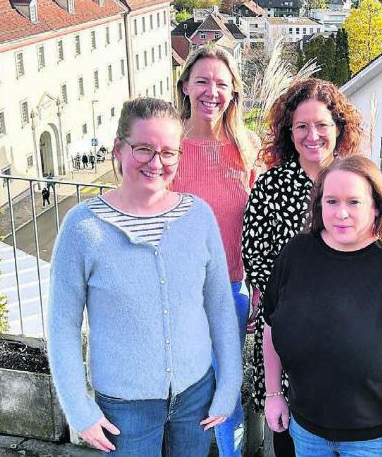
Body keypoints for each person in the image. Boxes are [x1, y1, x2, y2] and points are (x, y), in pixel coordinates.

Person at [47, 97, 242, 456]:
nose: (157, 162)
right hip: (124, 406)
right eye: (143, 149)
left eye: (169, 152)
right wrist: (78, 407)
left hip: (196, 398)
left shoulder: (198, 216)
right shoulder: (83, 227)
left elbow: (219, 308)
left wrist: (228, 385)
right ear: (119, 150)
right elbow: (62, 325)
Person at [263, 155, 382, 456]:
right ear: (318, 205)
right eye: (331, 202)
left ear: (376, 206)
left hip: (380, 440)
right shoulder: (296, 254)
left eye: (354, 202)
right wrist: (273, 392)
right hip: (306, 432)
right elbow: (271, 323)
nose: (341, 213)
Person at [241, 78, 362, 456]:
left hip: (347, 327)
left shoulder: (356, 182)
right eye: (302, 126)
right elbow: (255, 254)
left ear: (338, 129)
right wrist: (295, 300)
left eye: (322, 125)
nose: (313, 135)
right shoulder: (271, 186)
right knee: (288, 435)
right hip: (286, 327)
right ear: (288, 132)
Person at [172, 45, 260, 457]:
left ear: (233, 92)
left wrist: (258, 289)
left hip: (230, 290)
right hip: (176, 295)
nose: (211, 91)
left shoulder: (248, 147)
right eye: (202, 80)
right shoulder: (167, 147)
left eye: (221, 83)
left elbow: (260, 227)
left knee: (227, 393)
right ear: (185, 85)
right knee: (183, 392)